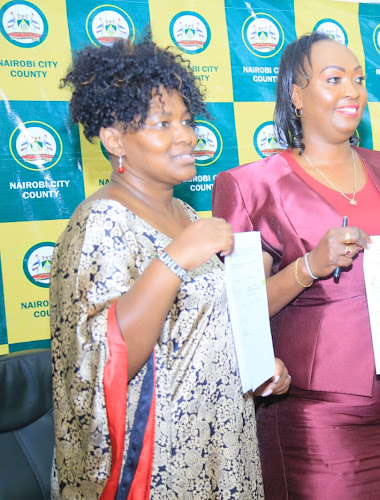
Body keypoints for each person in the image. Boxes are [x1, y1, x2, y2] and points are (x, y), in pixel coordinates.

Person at [212, 32, 380, 499]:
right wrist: (309, 265)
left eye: (358, 79)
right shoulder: (251, 185)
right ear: (296, 94)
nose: (352, 91)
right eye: (334, 79)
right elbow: (239, 311)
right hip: (319, 418)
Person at [50, 36, 290, 499]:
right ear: (115, 139)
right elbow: (101, 360)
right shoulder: (101, 222)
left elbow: (196, 330)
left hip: (222, 447)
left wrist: (256, 366)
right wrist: (175, 258)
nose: (186, 135)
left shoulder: (189, 216)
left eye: (187, 120)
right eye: (163, 124)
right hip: (159, 466)